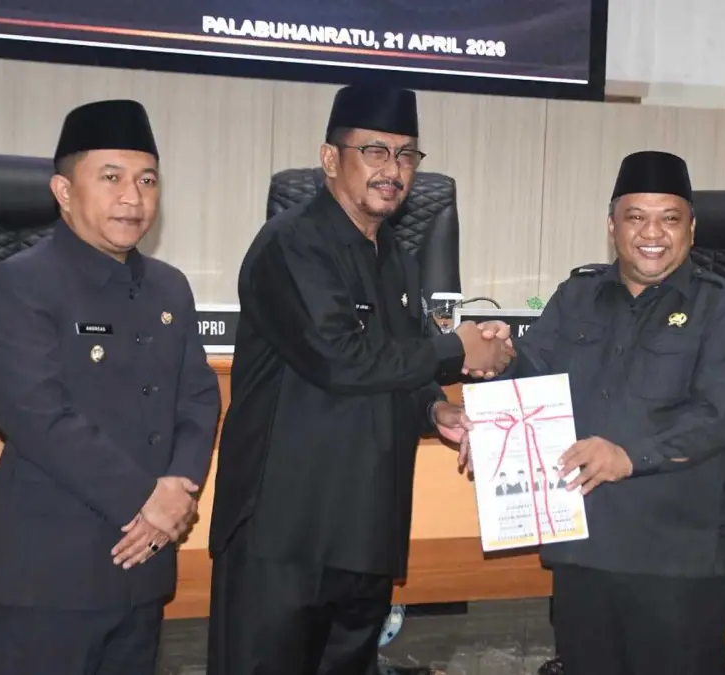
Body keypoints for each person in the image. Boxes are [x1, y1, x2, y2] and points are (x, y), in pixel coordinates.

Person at [205, 84, 513, 675]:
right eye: (374, 151)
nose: (392, 170)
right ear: (330, 159)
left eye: (405, 155)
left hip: (364, 528)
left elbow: (398, 361)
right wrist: (457, 348)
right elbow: (339, 359)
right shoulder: (291, 244)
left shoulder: (395, 255)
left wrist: (435, 410)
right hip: (284, 533)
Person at [0, 99, 222, 675]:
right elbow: (36, 416)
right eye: (111, 178)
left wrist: (179, 490)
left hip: (143, 569)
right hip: (49, 578)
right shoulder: (19, 284)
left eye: (147, 180)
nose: (133, 197)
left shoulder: (169, 287)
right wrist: (148, 501)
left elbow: (198, 397)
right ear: (63, 191)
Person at [486, 150, 725, 675]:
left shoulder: (723, 308)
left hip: (676, 561)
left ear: (691, 229)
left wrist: (629, 456)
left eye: (669, 218)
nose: (651, 232)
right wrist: (495, 363)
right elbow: (530, 374)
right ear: (612, 225)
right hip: (583, 550)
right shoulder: (575, 297)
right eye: (635, 216)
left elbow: (720, 417)